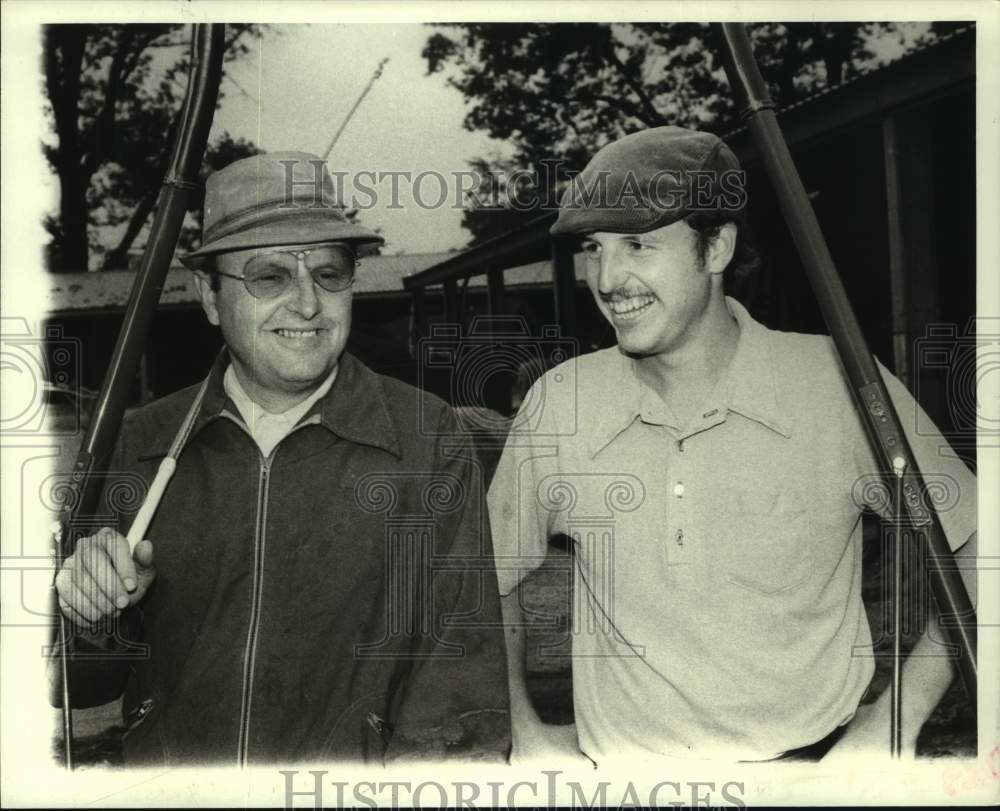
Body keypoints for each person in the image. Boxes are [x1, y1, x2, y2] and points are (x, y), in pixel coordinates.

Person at [487, 126, 978, 764]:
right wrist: (523, 732)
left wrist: (893, 724)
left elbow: (979, 548)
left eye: (638, 244)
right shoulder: (561, 402)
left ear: (716, 246)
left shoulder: (838, 384)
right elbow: (486, 574)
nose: (608, 279)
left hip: (809, 773)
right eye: (592, 248)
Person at [54, 152, 510, 766]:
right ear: (210, 297)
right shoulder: (140, 441)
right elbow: (85, 685)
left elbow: (459, 701)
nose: (306, 304)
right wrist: (92, 611)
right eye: (269, 276)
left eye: (329, 273)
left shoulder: (427, 440)